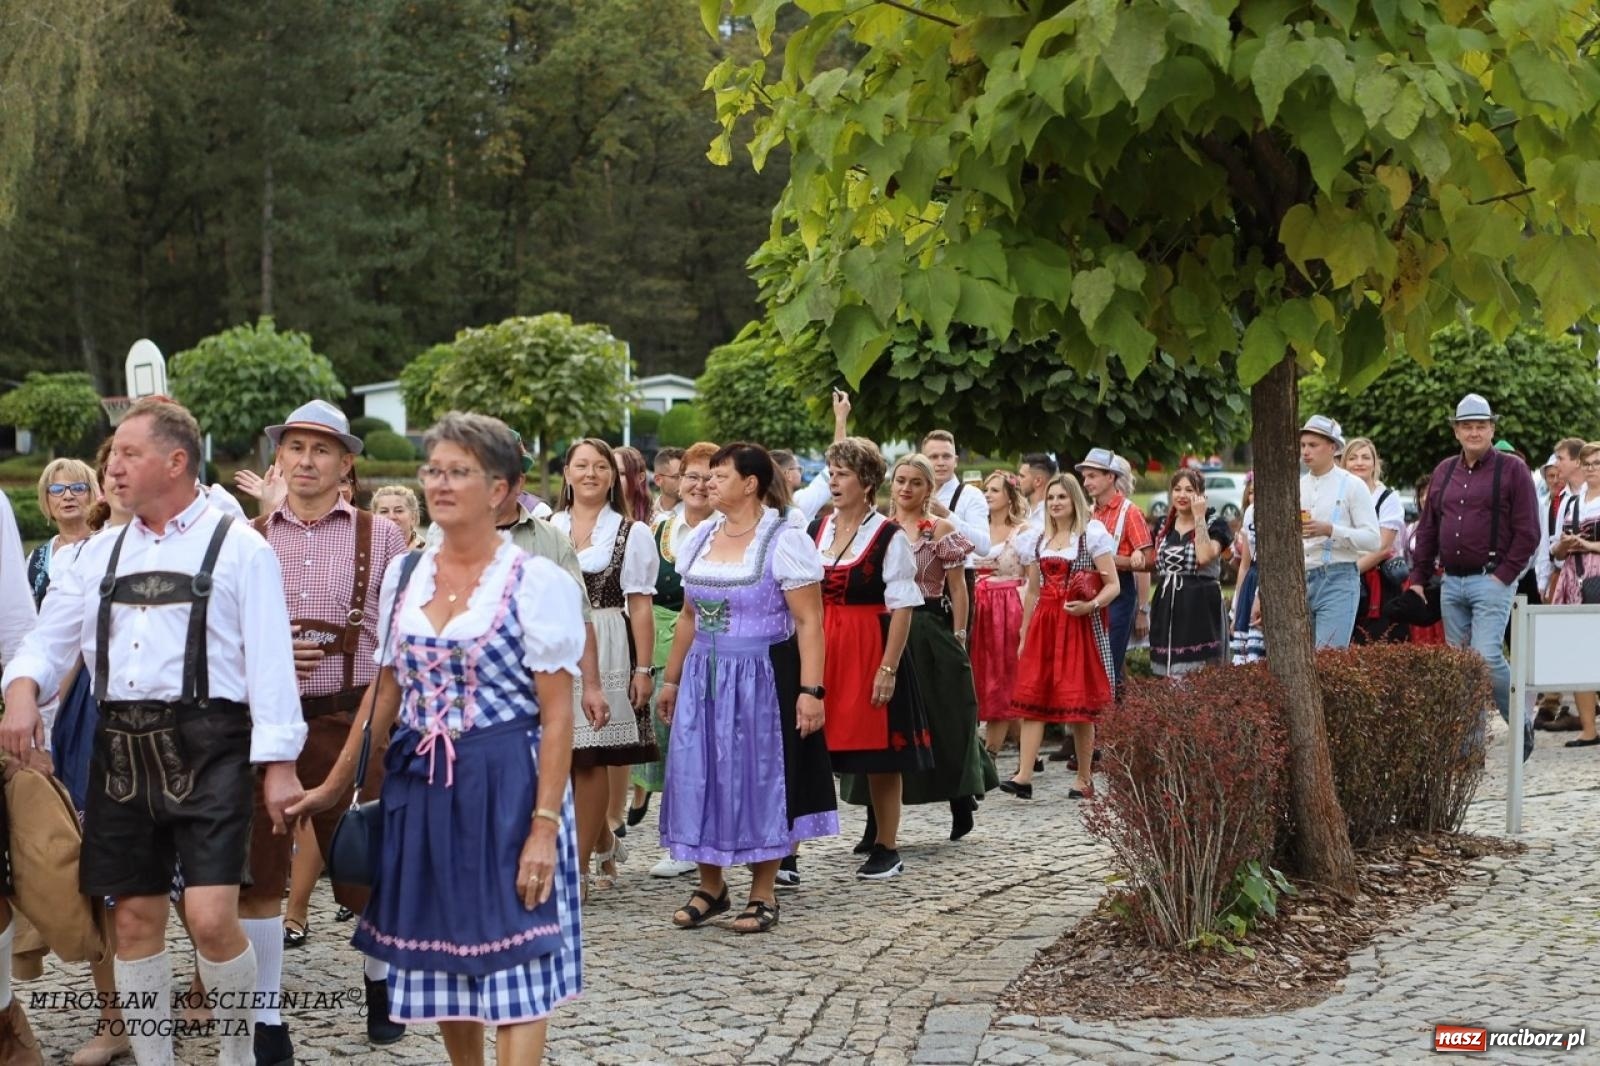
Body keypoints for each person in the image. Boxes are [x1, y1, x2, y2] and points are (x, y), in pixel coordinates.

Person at [1, 397, 305, 1066]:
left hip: (213, 745)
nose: (112, 468)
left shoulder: (239, 548)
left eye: (128, 454)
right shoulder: (96, 556)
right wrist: (22, 688)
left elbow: (272, 662)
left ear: (176, 461)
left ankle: (236, 1052)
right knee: (133, 921)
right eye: (111, 455)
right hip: (119, 749)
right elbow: (45, 645)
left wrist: (280, 762)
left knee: (209, 918)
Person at [290, 412, 584, 1065]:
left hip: (509, 780)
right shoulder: (407, 574)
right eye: (434, 471)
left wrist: (542, 827)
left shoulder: (536, 584)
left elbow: (558, 715)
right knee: (446, 964)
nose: (441, 484)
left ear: (502, 487)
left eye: (460, 472)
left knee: (516, 964)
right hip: (423, 785)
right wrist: (332, 788)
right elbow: (385, 692)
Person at [247, 399, 411, 1054]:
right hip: (267, 726)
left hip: (353, 717)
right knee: (258, 871)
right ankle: (265, 1015)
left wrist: (381, 719)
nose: (306, 460)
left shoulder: (385, 536)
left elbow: (398, 643)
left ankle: (379, 985)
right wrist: (274, 653)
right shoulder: (249, 538)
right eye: (295, 448)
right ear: (278, 458)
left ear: (346, 463)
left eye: (321, 449)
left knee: (366, 859)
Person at [656, 442, 836, 931]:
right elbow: (689, 616)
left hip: (761, 676)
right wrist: (671, 680)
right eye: (707, 476)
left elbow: (810, 622)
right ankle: (710, 886)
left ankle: (763, 892)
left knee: (759, 779)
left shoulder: (785, 537)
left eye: (719, 476)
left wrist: (810, 691)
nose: (707, 483)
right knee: (698, 773)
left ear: (750, 483)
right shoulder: (700, 537)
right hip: (702, 677)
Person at [839, 455, 996, 844]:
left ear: (928, 489)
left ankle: (959, 796)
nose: (906, 489)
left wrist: (959, 635)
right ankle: (874, 823)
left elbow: (958, 588)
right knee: (877, 722)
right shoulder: (877, 529)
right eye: (901, 481)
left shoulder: (939, 529)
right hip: (885, 626)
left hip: (928, 627)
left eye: (916, 482)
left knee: (945, 717)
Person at [810, 437, 930, 880]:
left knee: (880, 755)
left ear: (866, 482)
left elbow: (902, 606)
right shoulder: (816, 530)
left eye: (842, 473)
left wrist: (888, 668)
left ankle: (886, 847)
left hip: (868, 647)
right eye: (832, 472)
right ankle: (789, 851)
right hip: (822, 647)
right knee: (809, 747)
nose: (833, 480)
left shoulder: (888, 535)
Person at [1407, 394, 1542, 757]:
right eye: (1467, 425)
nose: (1474, 431)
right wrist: (1419, 576)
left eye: (1481, 425)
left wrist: (1503, 576)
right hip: (1451, 580)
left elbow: (1529, 531)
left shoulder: (1513, 470)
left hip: (1491, 578)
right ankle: (1469, 745)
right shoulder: (1444, 470)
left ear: (1492, 428)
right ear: (1456, 431)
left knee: (1484, 657)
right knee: (1461, 664)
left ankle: (1520, 723)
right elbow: (1428, 528)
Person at [550, 439, 657, 892]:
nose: (591, 473)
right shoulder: (545, 526)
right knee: (560, 756)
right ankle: (604, 840)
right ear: (567, 474)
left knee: (591, 758)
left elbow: (642, 606)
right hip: (555, 646)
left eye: (600, 467)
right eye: (582, 466)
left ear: (614, 478)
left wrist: (643, 670)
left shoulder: (632, 533)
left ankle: (576, 869)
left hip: (611, 640)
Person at [1005, 473, 1120, 799]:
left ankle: (1084, 778)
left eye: (1062, 497)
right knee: (1033, 697)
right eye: (1052, 497)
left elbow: (1114, 585)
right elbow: (1032, 592)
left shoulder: (1090, 536)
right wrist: (1025, 632)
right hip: (1045, 623)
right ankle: (1024, 776)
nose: (1055, 503)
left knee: (1078, 704)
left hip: (1077, 625)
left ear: (1074, 501)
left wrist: (1091, 606)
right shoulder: (1038, 539)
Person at [638, 441, 720, 881]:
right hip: (666, 649)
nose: (701, 485)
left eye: (711, 477)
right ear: (677, 480)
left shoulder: (734, 531)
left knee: (715, 745)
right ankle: (682, 840)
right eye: (692, 475)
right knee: (674, 747)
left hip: (719, 647)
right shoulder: (658, 531)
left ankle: (718, 835)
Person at [1299, 415, 1380, 649]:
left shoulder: (1353, 485)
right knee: (1301, 664)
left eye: (1313, 445)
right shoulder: (1297, 486)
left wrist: (1331, 530)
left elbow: (1373, 540)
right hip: (1300, 579)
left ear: (1332, 447)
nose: (1305, 451)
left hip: (1338, 577)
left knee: (1327, 660)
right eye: (1303, 445)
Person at [1075, 448, 1152, 686]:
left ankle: (1109, 720)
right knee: (1094, 663)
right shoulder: (1089, 512)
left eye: (1093, 476)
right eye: (1085, 477)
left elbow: (1149, 560)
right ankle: (1113, 718)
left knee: (1106, 663)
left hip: (1119, 591)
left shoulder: (1130, 512)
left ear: (1111, 477)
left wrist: (1114, 559)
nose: (1086, 482)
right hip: (1090, 590)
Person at [1146, 469, 1234, 675]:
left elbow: (1204, 556)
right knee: (1168, 674)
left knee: (1197, 672)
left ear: (1201, 495)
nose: (1182, 495)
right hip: (1167, 604)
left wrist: (1199, 518)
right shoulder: (1163, 526)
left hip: (1199, 605)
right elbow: (1150, 561)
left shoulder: (1215, 524)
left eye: (1189, 490)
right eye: (1177, 489)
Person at [972, 472, 1030, 756]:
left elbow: (1034, 579)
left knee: (1004, 678)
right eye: (985, 489)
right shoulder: (975, 527)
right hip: (977, 606)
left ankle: (990, 754)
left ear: (1010, 495)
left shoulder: (1023, 531)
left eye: (994, 490)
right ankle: (1025, 746)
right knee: (984, 676)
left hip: (1008, 608)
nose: (987, 494)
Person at [1547, 441, 1600, 747]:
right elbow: (1554, 548)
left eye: (1597, 463)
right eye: (1588, 463)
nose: (1592, 468)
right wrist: (1565, 545)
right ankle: (1588, 729)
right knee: (1581, 655)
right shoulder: (1571, 502)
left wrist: (1592, 546)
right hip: (1575, 579)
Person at [1342, 437, 1410, 644]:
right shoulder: (1339, 496)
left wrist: (1348, 573)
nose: (1359, 463)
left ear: (1374, 463)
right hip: (1344, 579)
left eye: (1365, 457)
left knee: (1380, 642)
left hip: (1379, 582)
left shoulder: (1387, 499)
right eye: (1352, 458)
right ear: (1344, 464)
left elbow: (1382, 547)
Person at [919, 431, 991, 555]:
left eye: (946, 456)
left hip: (961, 573)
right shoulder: (915, 494)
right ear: (923, 461)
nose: (941, 462)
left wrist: (946, 515)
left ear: (955, 460)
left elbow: (984, 547)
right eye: (934, 457)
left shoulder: (971, 495)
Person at [372, 484, 427, 549]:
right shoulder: (362, 551)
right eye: (384, 511)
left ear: (413, 517)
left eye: (399, 511)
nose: (391, 517)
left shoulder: (428, 553)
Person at [1017, 453, 1057, 530]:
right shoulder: (1019, 509)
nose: (1017, 480)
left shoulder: (1052, 514)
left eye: (1022, 476)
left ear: (1038, 481)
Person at [651, 447, 685, 523]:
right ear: (658, 480)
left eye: (685, 476)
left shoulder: (695, 514)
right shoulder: (646, 513)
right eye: (676, 477)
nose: (684, 481)